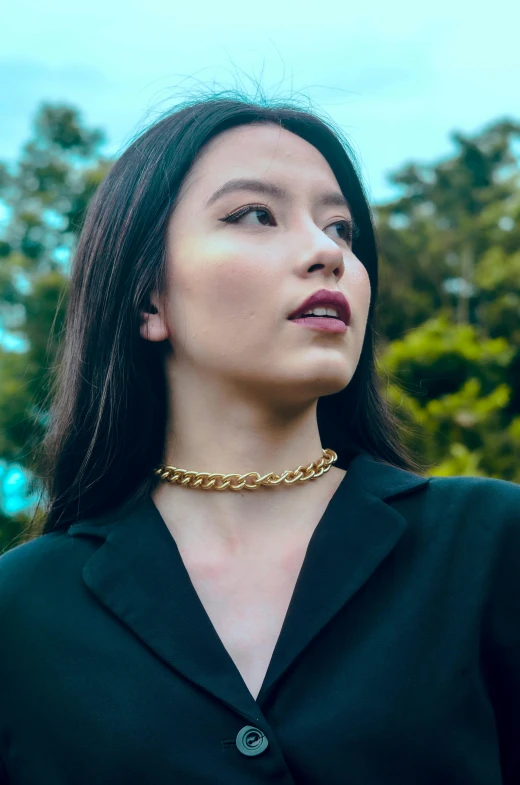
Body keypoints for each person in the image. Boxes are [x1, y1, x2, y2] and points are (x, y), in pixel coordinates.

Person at [0, 93, 518, 785]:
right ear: (149, 297)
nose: (324, 252)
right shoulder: (21, 612)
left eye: (341, 228)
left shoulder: (490, 544)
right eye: (255, 214)